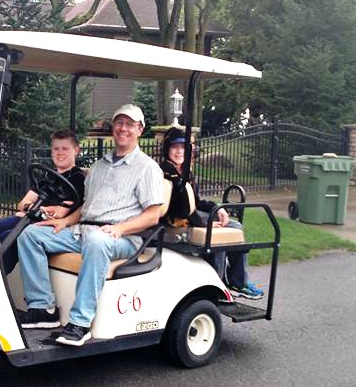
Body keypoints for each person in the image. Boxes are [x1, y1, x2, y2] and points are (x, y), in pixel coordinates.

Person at [16, 104, 165, 346]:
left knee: (97, 240)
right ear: (113, 128)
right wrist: (64, 221)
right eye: (119, 123)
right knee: (31, 234)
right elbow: (87, 207)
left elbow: (152, 216)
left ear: (140, 129)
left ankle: (80, 323)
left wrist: (119, 229)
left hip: (122, 237)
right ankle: (43, 308)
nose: (123, 128)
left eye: (130, 124)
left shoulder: (147, 168)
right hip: (83, 231)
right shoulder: (99, 166)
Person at [159, 127, 264, 300]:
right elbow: (178, 208)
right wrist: (203, 224)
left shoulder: (184, 171)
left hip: (188, 217)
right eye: (174, 147)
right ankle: (220, 285)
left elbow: (196, 201)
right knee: (220, 234)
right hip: (174, 221)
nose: (179, 151)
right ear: (167, 149)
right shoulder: (166, 172)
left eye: (183, 147)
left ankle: (237, 283)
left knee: (234, 226)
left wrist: (218, 208)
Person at [0, 129, 85, 273]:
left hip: (49, 227)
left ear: (76, 150)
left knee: (7, 237)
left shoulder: (77, 179)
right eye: (56, 149)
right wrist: (31, 209)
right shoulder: (47, 176)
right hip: (28, 219)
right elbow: (22, 204)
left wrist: (33, 210)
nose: (59, 152)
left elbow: (59, 213)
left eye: (65, 148)